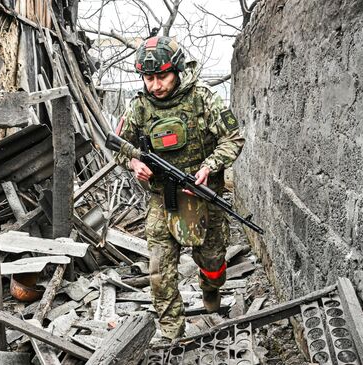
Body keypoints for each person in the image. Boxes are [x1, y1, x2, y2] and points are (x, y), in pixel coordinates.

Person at [114, 36, 245, 341]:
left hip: (203, 196)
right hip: (163, 199)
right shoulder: (139, 108)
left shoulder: (203, 99)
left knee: (213, 262)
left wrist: (209, 166)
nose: (155, 85)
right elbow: (120, 144)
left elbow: (233, 138)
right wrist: (133, 162)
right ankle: (173, 333)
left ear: (178, 70)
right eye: (149, 78)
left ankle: (210, 290)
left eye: (162, 76)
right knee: (160, 271)